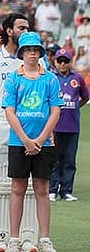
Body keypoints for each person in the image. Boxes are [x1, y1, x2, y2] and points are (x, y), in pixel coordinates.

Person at [0, 13, 39, 252]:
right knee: (2, 182)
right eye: (21, 27)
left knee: (31, 183)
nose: (26, 31)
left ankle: (28, 237)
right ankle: (1, 236)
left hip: (31, 123)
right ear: (8, 30)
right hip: (2, 123)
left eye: (28, 27)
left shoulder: (34, 62)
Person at [2, 32, 62, 252]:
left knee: (42, 190)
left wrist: (40, 139)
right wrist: (26, 139)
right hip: (19, 142)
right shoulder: (13, 78)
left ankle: (45, 240)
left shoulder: (50, 79)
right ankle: (14, 240)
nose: (32, 54)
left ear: (40, 53)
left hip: (44, 143)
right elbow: (9, 110)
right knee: (17, 188)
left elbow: (56, 111)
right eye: (28, 50)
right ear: (22, 53)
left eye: (36, 50)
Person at [49, 48, 87, 201]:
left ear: (71, 62)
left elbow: (85, 96)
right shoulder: (51, 78)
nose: (63, 64)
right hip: (55, 126)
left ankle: (66, 190)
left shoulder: (77, 78)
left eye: (66, 61)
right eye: (60, 61)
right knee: (54, 159)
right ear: (55, 62)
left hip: (72, 126)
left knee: (70, 159)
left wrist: (75, 106)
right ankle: (52, 189)